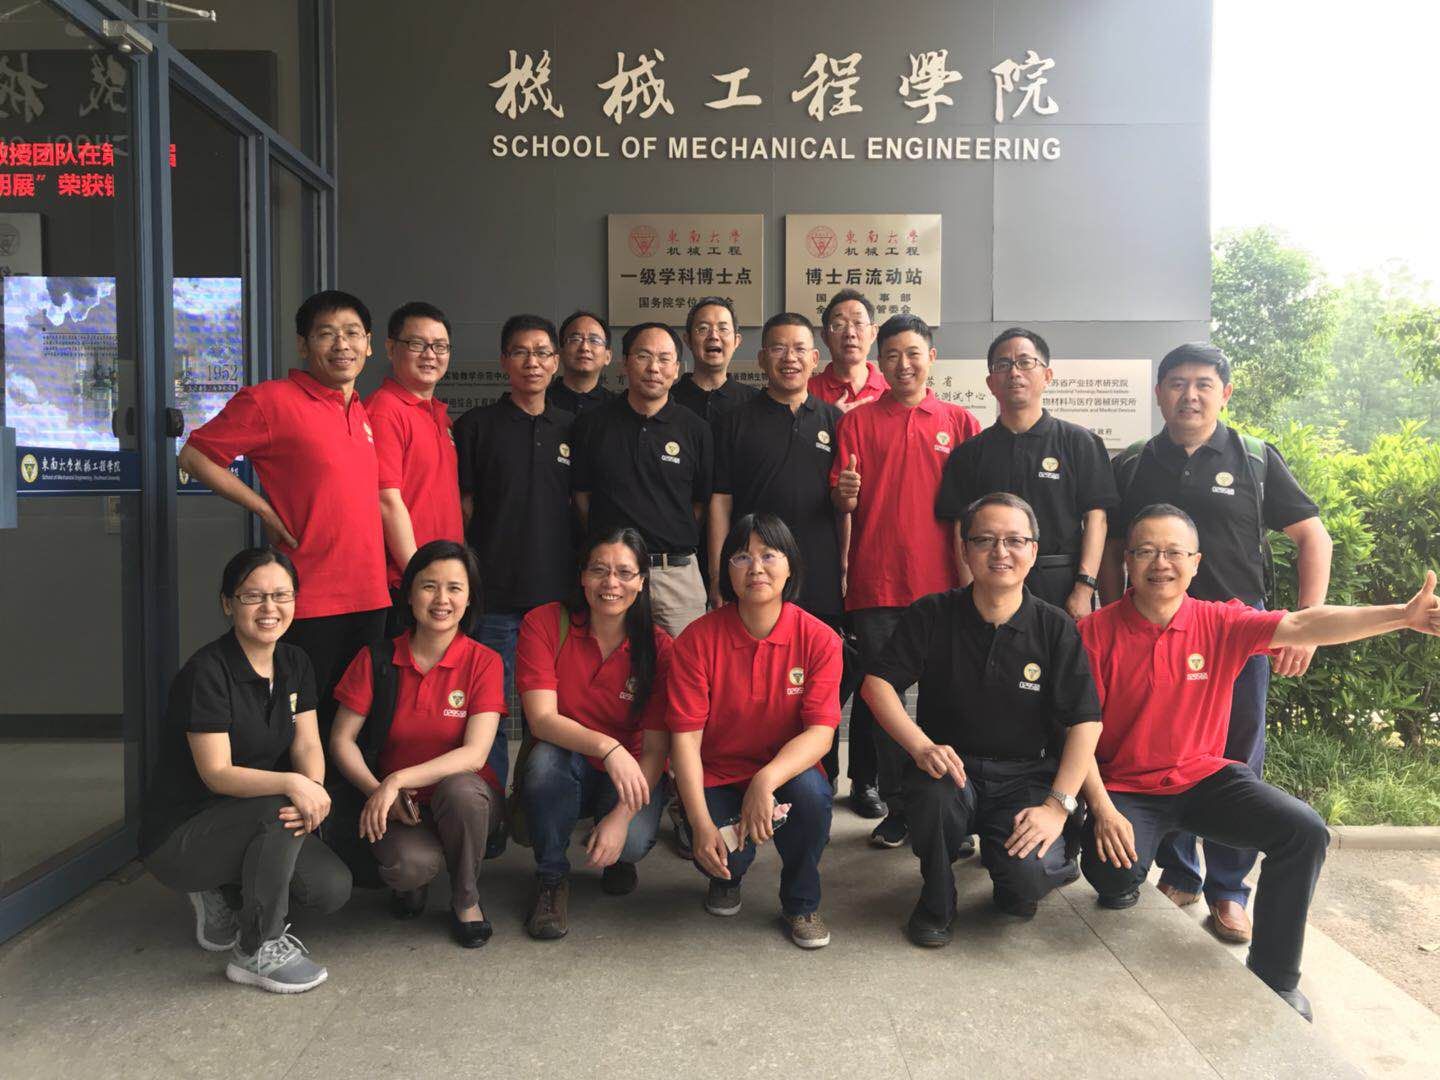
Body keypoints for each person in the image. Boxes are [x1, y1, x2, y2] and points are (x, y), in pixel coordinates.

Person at [1079, 502, 1439, 1021]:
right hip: (1127, 788)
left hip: (1203, 777)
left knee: (1303, 831)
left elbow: (1305, 623)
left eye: (1174, 552)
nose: (1161, 563)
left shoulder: (1220, 621)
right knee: (1112, 876)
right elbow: (1077, 734)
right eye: (1147, 551)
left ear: (1196, 562)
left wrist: (1401, 616)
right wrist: (1102, 809)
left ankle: (1276, 977)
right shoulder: (1094, 633)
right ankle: (1115, 864)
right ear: (1127, 561)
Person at [1100, 342, 1333, 946]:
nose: (1190, 395)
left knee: (1237, 762)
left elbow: (1313, 537)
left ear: (1224, 393)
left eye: (1203, 384)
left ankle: (1230, 891)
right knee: (1161, 757)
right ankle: (1181, 873)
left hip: (1237, 639)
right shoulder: (1135, 464)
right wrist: (1107, 613)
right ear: (1159, 394)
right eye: (1177, 383)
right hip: (1152, 635)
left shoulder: (1253, 459)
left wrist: (1306, 622)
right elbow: (1114, 545)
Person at [861, 494, 1101, 946]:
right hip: (951, 771)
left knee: (1024, 884)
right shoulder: (932, 613)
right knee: (932, 798)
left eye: (1014, 540)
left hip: (1025, 776)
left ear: (1034, 550)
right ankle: (937, 896)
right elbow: (877, 685)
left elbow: (1085, 721)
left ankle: (1031, 864)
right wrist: (920, 745)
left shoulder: (1054, 627)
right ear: (965, 550)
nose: (1000, 552)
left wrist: (1057, 807)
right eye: (985, 540)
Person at [177, 290, 390, 742]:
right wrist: (262, 507)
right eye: (326, 334)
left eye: (352, 333)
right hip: (310, 597)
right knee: (303, 728)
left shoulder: (361, 410)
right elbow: (195, 456)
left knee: (358, 728)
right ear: (303, 345)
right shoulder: (270, 401)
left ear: (369, 344)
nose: (342, 345)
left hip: (370, 595)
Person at [142, 547, 351, 993]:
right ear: (227, 603)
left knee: (330, 888)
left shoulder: (294, 662)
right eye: (253, 596)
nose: (269, 608)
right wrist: (294, 784)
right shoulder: (206, 672)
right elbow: (216, 773)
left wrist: (312, 787)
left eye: (281, 595)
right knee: (279, 808)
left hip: (247, 815)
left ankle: (227, 889)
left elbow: (307, 742)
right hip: (183, 833)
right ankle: (256, 949)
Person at [831, 314, 982, 849]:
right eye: (892, 355)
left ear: (931, 358)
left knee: (952, 701)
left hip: (946, 588)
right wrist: (844, 496)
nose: (903, 364)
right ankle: (898, 807)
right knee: (885, 702)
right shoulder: (856, 423)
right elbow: (841, 502)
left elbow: (976, 513)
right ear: (880, 361)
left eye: (913, 353)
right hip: (877, 585)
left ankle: (955, 808)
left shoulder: (960, 423)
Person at [668, 514, 842, 949]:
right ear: (726, 569)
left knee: (812, 797)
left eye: (769, 555)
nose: (756, 568)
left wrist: (765, 781)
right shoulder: (697, 640)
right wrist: (699, 823)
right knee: (718, 851)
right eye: (742, 557)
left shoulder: (819, 639)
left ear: (790, 566)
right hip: (718, 775)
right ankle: (727, 878)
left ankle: (801, 902)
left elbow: (821, 733)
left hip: (785, 775)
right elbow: (685, 739)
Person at [330, 541, 506, 948]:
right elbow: (341, 740)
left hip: (466, 800)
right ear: (409, 594)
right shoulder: (376, 659)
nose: (442, 599)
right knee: (409, 866)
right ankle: (413, 884)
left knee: (461, 790)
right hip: (398, 805)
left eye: (455, 588)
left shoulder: (484, 662)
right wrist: (379, 790)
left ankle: (466, 898)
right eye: (429, 586)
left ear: (470, 598)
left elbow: (475, 754)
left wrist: (396, 779)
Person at [710, 312, 849, 787]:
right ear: (761, 358)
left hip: (820, 573)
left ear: (815, 358)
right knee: (750, 678)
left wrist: (846, 567)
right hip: (755, 574)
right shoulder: (735, 421)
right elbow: (721, 501)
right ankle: (741, 775)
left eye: (799, 349)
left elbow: (845, 506)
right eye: (778, 348)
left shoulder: (834, 420)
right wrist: (717, 573)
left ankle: (818, 776)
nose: (789, 358)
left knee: (821, 677)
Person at [516, 528, 674, 940]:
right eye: (599, 570)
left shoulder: (659, 648)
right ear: (582, 576)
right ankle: (551, 878)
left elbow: (656, 750)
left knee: (632, 840)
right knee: (544, 762)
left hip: (631, 772)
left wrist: (621, 819)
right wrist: (608, 747)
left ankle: (619, 855)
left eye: (625, 572)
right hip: (567, 758)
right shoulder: (544, 623)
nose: (611, 583)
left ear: (642, 582)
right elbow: (541, 719)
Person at [453, 314, 575, 791]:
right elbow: (464, 509)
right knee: (491, 713)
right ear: (504, 360)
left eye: (542, 353)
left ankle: (540, 805)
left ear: (556, 361)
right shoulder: (477, 426)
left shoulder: (572, 428)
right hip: (495, 597)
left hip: (557, 600)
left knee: (555, 713)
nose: (532, 362)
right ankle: (491, 808)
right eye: (521, 352)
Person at [935, 328, 1116, 617]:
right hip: (992, 580)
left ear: (1047, 376)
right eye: (1003, 365)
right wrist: (969, 590)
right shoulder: (970, 453)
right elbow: (960, 527)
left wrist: (1084, 588)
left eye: (1025, 362)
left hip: (1061, 583)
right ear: (990, 383)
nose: (1014, 372)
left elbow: (1096, 519)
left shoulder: (1080, 443)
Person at [571, 321, 714, 639]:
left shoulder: (696, 429)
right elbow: (581, 499)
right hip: (611, 575)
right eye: (643, 356)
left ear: (677, 369)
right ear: (625, 363)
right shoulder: (593, 425)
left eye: (664, 359)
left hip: (675, 574)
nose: (654, 368)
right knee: (610, 662)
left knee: (684, 664)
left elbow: (700, 505)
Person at [366, 301, 464, 624]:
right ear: (390, 348)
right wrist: (417, 578)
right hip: (407, 585)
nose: (430, 355)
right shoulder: (385, 410)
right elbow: (386, 500)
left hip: (440, 582)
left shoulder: (440, 416)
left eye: (440, 346)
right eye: (417, 344)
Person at [672, 296, 758, 422]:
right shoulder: (667, 400)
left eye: (723, 329)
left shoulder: (756, 402)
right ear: (688, 340)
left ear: (736, 341)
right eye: (703, 328)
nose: (713, 336)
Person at [808, 288, 889, 412]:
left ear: (873, 333)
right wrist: (832, 418)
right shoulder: (807, 392)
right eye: (839, 325)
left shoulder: (892, 389)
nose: (850, 333)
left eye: (858, 323)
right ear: (825, 337)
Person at [547, 310, 616, 417]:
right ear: (561, 352)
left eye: (594, 340)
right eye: (575, 339)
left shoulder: (617, 407)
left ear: (608, 356)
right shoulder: (541, 401)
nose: (584, 347)